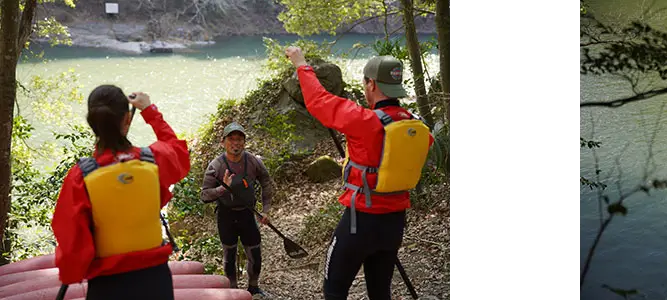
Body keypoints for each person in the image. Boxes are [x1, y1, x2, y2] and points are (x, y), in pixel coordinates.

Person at [285, 46, 435, 300]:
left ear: (372, 84)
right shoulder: (416, 125)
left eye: (366, 83)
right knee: (380, 292)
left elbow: (318, 100)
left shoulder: (364, 121)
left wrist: (301, 64)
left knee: (334, 292)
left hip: (360, 223)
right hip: (394, 223)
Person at [51, 85, 190, 299]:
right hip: (156, 282)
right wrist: (149, 110)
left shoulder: (80, 177)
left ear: (92, 124)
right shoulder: (153, 160)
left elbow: (72, 244)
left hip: (108, 286)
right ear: (127, 119)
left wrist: (72, 273)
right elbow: (178, 151)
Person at [200, 122, 275, 298]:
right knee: (229, 256)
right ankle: (233, 291)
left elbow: (266, 181)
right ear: (223, 142)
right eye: (231, 139)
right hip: (226, 216)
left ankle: (254, 288)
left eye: (239, 139)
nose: (235, 143)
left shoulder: (253, 161)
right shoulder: (216, 166)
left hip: (247, 214)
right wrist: (222, 189)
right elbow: (204, 195)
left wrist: (265, 210)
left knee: (255, 254)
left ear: (244, 142)